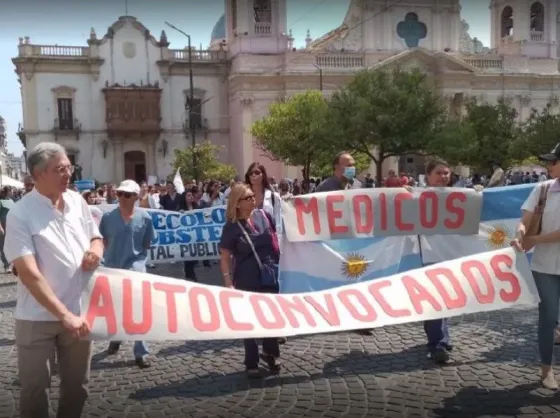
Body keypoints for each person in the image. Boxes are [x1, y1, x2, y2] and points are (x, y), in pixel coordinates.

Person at [4, 142, 103, 418]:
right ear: (37, 174)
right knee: (35, 392)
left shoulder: (77, 201)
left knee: (77, 387)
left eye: (68, 167)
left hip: (79, 311)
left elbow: (96, 236)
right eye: (60, 169)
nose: (68, 174)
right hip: (36, 319)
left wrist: (95, 252)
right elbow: (29, 274)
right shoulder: (20, 214)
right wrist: (63, 315)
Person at [511, 143, 560, 389]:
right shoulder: (542, 189)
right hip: (545, 267)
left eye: (553, 161)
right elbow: (525, 220)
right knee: (548, 318)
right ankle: (546, 370)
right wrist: (520, 234)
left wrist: (534, 240)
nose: (549, 166)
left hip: (545, 257)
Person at [219, 184, 281, 378]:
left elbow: (275, 241)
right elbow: (225, 257)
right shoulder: (231, 227)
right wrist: (228, 281)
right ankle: (251, 361)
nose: (253, 199)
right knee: (250, 321)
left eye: (253, 196)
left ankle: (270, 353)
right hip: (246, 278)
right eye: (247, 198)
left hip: (269, 274)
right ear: (237, 203)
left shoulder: (264, 216)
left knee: (271, 318)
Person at [99, 180, 154, 369]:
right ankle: (117, 336)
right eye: (120, 193)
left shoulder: (145, 217)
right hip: (113, 270)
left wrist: (137, 262)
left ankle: (141, 351)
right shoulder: (107, 218)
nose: (122, 197)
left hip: (136, 270)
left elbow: (147, 244)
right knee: (115, 310)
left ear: (136, 197)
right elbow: (101, 242)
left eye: (127, 194)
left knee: (139, 311)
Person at [417, 160, 455, 364]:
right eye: (439, 173)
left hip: (449, 255)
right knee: (434, 299)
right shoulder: (417, 196)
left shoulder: (460, 197)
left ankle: (442, 337)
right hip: (428, 256)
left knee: (446, 299)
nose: (443, 176)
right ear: (428, 176)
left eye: (446, 173)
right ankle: (437, 344)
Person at [245, 162, 281, 230]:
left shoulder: (273, 197)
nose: (253, 175)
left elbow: (279, 223)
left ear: (263, 175)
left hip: (268, 238)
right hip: (248, 238)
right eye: (251, 173)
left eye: (257, 172)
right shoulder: (243, 197)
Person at [180, 188, 200, 282]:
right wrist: (179, 214)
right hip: (185, 237)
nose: (191, 197)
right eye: (188, 195)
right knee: (187, 257)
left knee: (193, 257)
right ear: (184, 198)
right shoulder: (181, 208)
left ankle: (190, 274)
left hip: (195, 237)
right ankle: (190, 276)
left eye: (191, 195)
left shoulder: (197, 207)